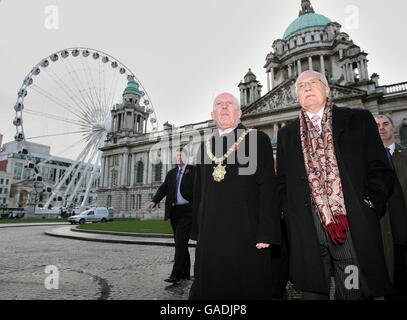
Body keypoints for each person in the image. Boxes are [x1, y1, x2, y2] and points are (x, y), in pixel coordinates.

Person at [276, 70, 395, 300]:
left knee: (351, 289)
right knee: (312, 292)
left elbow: (380, 168)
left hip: (348, 226)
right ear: (296, 96)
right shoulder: (286, 134)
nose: (307, 88)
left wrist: (369, 202)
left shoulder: (358, 119)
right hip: (307, 228)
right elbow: (281, 182)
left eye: (313, 83)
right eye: (301, 86)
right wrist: (287, 212)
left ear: (328, 89)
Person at [189, 92, 280, 300]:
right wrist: (196, 232)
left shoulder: (258, 139)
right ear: (213, 114)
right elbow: (198, 192)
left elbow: (268, 188)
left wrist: (267, 232)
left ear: (239, 112)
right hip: (210, 235)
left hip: (246, 234)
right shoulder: (205, 147)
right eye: (219, 104)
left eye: (229, 103)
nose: (224, 107)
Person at [146, 147, 195, 283]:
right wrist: (153, 201)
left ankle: (175, 274)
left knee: (180, 242)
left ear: (186, 157)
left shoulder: (194, 171)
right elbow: (163, 189)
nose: (179, 158)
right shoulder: (171, 173)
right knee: (181, 243)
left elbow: (199, 190)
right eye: (177, 156)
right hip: (174, 212)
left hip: (188, 211)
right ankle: (185, 273)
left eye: (181, 156)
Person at [376, 114, 407, 299]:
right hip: (385, 228)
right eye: (378, 125)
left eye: (385, 124)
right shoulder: (370, 161)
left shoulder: (404, 156)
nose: (381, 128)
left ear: (393, 128)